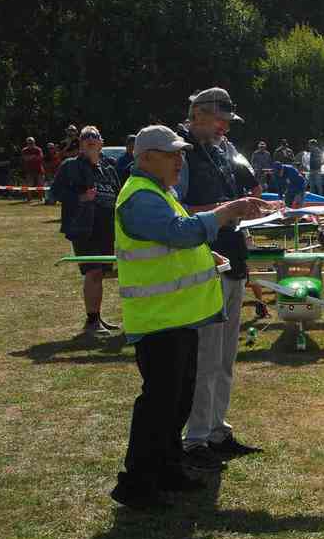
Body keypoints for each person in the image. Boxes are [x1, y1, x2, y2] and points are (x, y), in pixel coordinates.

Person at [110, 124, 268, 510]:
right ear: (147, 158)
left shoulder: (161, 192)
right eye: (172, 154)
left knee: (177, 401)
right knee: (159, 404)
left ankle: (167, 469)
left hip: (176, 317)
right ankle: (137, 485)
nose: (180, 161)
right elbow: (178, 232)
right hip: (157, 319)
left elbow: (173, 242)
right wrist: (225, 212)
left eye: (181, 153)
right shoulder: (140, 196)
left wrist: (204, 254)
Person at [176, 87, 272, 471]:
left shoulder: (220, 151)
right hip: (205, 266)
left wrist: (252, 210)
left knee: (226, 358)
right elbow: (177, 213)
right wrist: (228, 209)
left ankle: (217, 430)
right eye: (220, 119)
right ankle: (196, 439)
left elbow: (229, 205)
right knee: (206, 358)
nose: (225, 128)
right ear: (198, 114)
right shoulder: (181, 153)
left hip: (234, 261)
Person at [51, 126, 121, 337]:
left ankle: (96, 317)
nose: (90, 140)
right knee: (93, 271)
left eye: (94, 137)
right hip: (84, 227)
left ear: (101, 143)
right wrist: (80, 198)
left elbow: (118, 191)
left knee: (101, 273)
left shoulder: (109, 166)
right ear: (80, 144)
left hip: (107, 228)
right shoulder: (70, 166)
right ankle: (91, 322)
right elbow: (54, 193)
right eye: (85, 138)